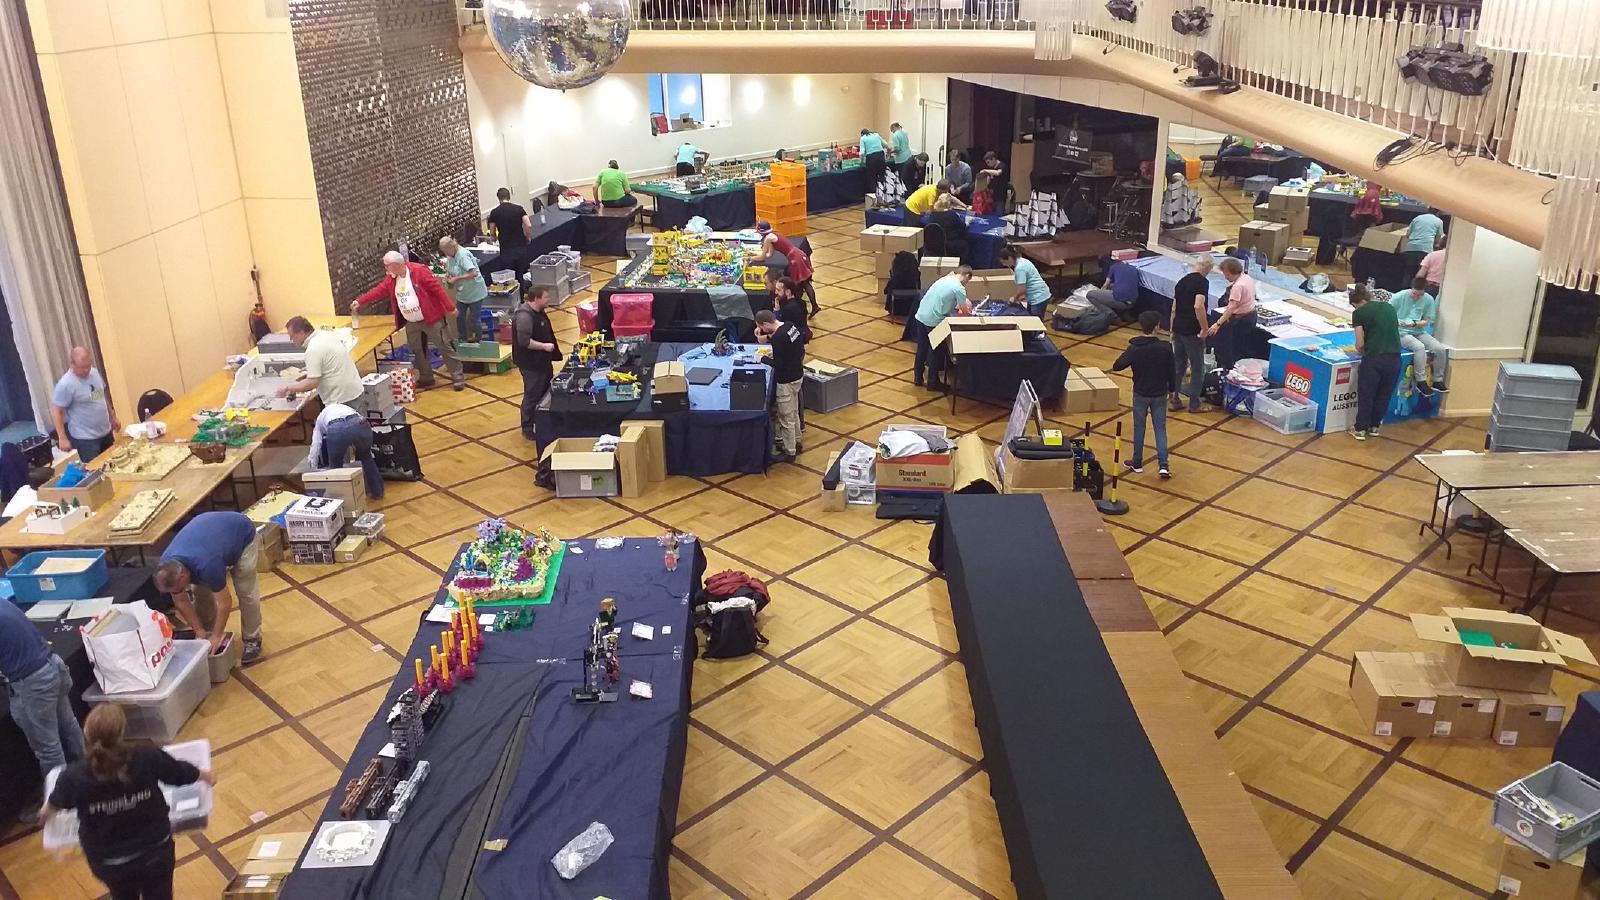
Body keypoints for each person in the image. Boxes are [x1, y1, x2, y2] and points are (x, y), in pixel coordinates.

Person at [43, 704, 216, 900]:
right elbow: (178, 772)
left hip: (108, 862)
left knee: (122, 894)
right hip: (155, 853)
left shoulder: (73, 776)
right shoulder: (145, 756)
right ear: (122, 733)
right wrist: (205, 775)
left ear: (87, 735)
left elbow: (53, 805)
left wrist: (45, 815)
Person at [1, 598, 83, 821]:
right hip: (52, 665)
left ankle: (59, 803)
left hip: (33, 682)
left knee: (48, 748)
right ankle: (88, 776)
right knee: (69, 728)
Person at [156, 510, 264, 663]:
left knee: (246, 592)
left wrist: (217, 635)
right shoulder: (166, 567)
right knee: (200, 595)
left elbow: (224, 602)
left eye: (179, 589)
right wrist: (199, 631)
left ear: (183, 575)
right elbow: (181, 601)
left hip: (242, 534)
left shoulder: (207, 565)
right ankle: (206, 634)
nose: (178, 592)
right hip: (210, 537)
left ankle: (252, 639)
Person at [353, 251, 464, 391]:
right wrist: (360, 301)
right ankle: (426, 377)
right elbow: (379, 291)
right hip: (411, 321)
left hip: (431, 318)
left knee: (444, 346)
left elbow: (437, 290)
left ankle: (457, 377)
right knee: (417, 350)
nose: (385, 268)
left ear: (395, 265)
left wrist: (450, 307)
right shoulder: (392, 278)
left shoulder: (419, 271)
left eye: (387, 265)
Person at [1113, 311, 1177, 479]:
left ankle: (1137, 462)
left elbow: (1117, 366)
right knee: (1160, 429)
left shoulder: (1135, 348)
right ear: (1156, 327)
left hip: (1140, 393)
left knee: (1139, 428)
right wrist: (1172, 390)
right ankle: (1163, 465)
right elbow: (1172, 371)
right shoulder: (1165, 348)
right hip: (1160, 393)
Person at [1349, 283, 1402, 440]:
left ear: (1356, 303)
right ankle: (1374, 427)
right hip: (1394, 358)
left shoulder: (1359, 314)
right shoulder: (1389, 308)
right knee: (1384, 394)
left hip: (1374, 359)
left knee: (1367, 394)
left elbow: (1359, 344)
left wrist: (1360, 349)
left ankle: (1360, 429)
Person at [274, 316, 364, 406]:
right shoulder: (325, 334)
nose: (291, 340)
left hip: (342, 399)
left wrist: (288, 389)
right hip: (355, 390)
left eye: (292, 336)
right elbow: (328, 360)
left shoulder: (313, 349)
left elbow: (312, 383)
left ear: (301, 332)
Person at [51, 346, 119, 463]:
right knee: (96, 470)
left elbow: (102, 396)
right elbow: (57, 411)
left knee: (114, 464)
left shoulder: (94, 372)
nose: (86, 370)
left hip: (105, 432)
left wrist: (113, 417)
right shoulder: (65, 384)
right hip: (86, 439)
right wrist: (62, 438)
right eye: (82, 367)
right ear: (72, 364)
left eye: (88, 365)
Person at [755, 309, 805, 463]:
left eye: (762, 328)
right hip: (797, 375)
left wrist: (763, 359)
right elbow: (790, 350)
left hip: (786, 381)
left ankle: (789, 452)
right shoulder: (790, 326)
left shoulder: (778, 338)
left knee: (785, 417)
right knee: (794, 411)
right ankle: (797, 441)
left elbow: (779, 364)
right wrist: (770, 344)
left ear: (765, 324)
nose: (762, 331)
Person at [911, 266, 973, 390]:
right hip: (933, 321)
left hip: (921, 315)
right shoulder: (959, 288)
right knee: (936, 351)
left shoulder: (945, 279)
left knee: (922, 348)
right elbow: (964, 311)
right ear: (967, 275)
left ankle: (918, 376)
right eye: (968, 280)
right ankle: (933, 382)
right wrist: (971, 315)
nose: (967, 283)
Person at [308, 401, 383, 501]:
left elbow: (316, 445)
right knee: (366, 458)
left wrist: (312, 469)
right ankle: (378, 492)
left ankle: (341, 500)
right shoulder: (345, 407)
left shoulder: (319, 420)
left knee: (335, 467)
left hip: (336, 428)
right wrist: (368, 450)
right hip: (359, 422)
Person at [513, 286, 559, 441]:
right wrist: (544, 346)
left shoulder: (539, 311)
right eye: (546, 297)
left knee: (545, 391)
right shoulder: (524, 317)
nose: (549, 300)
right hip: (531, 364)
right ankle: (528, 426)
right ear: (537, 298)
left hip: (542, 361)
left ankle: (543, 421)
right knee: (532, 394)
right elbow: (524, 341)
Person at [1392, 276, 1450, 395]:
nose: (1416, 297)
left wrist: (1414, 323)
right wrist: (1399, 322)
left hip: (1418, 330)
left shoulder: (1428, 299)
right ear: (1411, 289)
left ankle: (1437, 379)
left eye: (1420, 295)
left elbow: (1427, 320)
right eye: (1414, 294)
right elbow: (1388, 315)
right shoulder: (1398, 297)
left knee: (1439, 349)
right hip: (1400, 332)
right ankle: (1421, 380)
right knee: (1419, 347)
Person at [1170, 256, 1212, 413]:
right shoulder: (1202, 282)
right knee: (1197, 367)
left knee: (1178, 365)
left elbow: (1174, 308)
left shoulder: (1181, 281)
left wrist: (1172, 328)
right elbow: (1198, 305)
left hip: (1178, 328)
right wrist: (1205, 328)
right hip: (1192, 330)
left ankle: (1174, 399)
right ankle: (1194, 404)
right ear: (1208, 268)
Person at [1206, 257, 1258, 374]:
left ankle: (1229, 371)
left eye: (1226, 274)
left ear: (1231, 272)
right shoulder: (1247, 278)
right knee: (1241, 348)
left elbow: (1231, 308)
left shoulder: (1238, 286)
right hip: (1251, 316)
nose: (1225, 277)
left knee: (1232, 349)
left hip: (1241, 320)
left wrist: (1217, 324)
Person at [754, 221, 816, 313]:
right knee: (804, 283)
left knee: (799, 284)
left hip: (795, 258)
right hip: (798, 254)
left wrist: (750, 258)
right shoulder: (773, 235)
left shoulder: (768, 238)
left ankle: (805, 307)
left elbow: (763, 257)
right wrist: (756, 256)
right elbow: (769, 254)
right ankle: (813, 306)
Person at [439, 237, 489, 344]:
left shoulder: (462, 256)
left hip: (475, 292)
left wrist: (457, 278)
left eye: (446, 251)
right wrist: (448, 277)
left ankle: (479, 341)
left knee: (474, 319)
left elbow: (473, 273)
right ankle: (462, 340)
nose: (445, 254)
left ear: (451, 247)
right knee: (459, 316)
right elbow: (451, 269)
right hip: (462, 293)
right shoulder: (450, 256)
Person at [486, 187, 532, 274]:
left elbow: (492, 231)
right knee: (521, 273)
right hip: (520, 245)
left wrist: (494, 239)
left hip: (506, 248)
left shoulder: (494, 212)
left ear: (498, 198)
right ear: (509, 197)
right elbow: (528, 225)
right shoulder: (519, 209)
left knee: (510, 276)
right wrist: (528, 237)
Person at [999, 246, 1050, 315]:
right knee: (1029, 316)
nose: (1003, 265)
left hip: (1038, 297)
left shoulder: (1019, 268)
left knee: (1035, 320)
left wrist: (1014, 298)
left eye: (1004, 262)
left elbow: (1022, 290)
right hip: (1039, 294)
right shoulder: (1023, 260)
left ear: (1010, 258)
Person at [1402, 209, 1445, 285]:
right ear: (1438, 212)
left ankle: (1404, 290)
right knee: (1421, 276)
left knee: (1408, 274)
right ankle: (1418, 290)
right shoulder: (1438, 221)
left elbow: (1408, 234)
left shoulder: (1417, 218)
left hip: (1410, 248)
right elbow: (1439, 239)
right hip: (1425, 249)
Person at [772, 276, 810, 341]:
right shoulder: (801, 302)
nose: (776, 292)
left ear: (788, 292)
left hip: (793, 339)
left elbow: (778, 327)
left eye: (778, 290)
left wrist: (777, 311)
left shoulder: (788, 308)